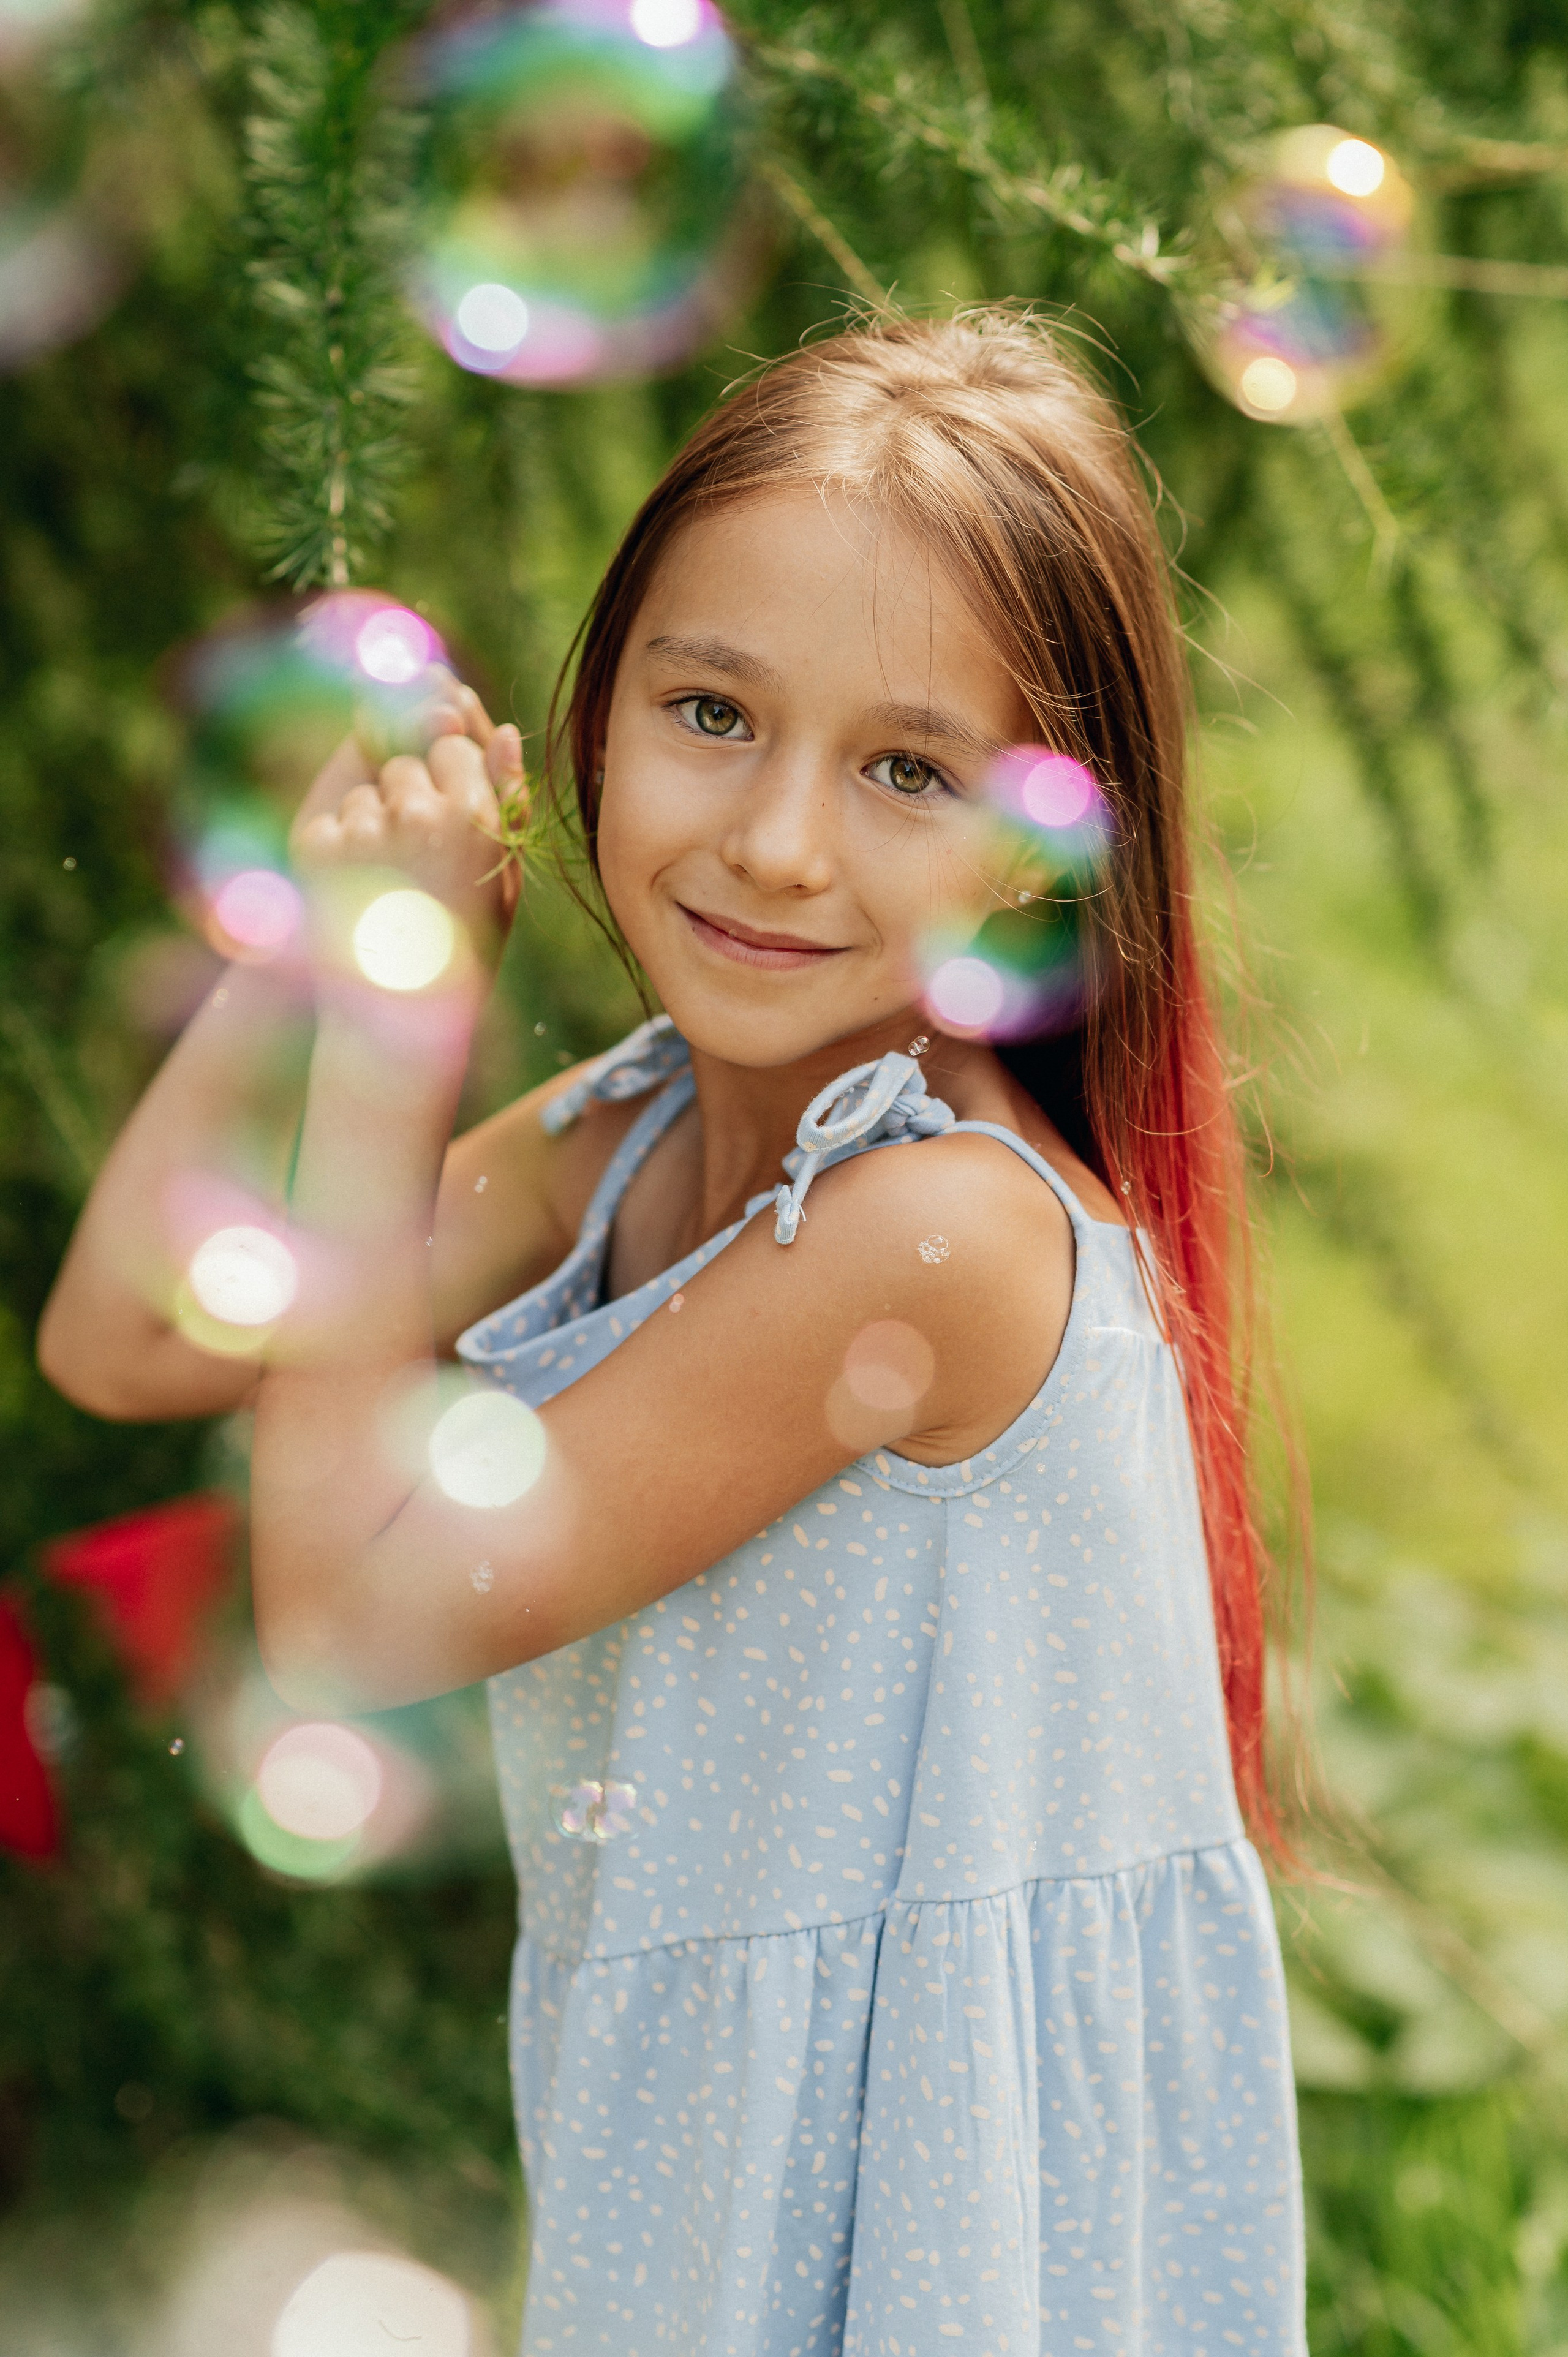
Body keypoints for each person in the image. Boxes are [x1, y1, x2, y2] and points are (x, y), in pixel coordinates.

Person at [40, 311, 1305, 2354]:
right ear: (597, 710)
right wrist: (334, 957)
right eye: (712, 711)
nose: (777, 841)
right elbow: (126, 1338)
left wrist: (394, 1044)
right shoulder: (624, 1133)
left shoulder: (937, 1239)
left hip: (932, 2217)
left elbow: (350, 1617)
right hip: (715, 2148)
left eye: (908, 769)